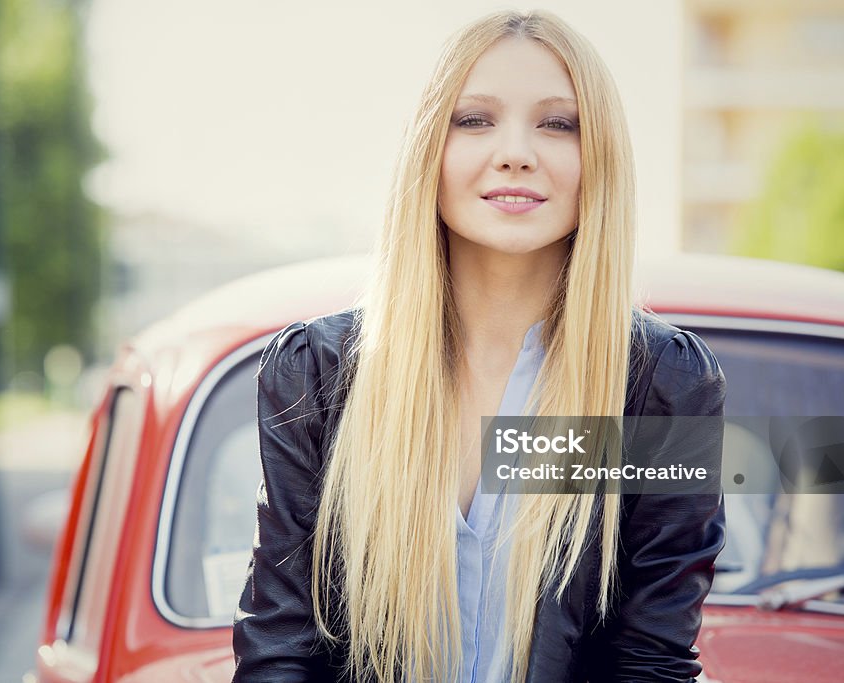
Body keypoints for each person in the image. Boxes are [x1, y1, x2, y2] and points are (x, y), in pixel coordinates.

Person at [233, 9, 726, 683]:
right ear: (426, 150)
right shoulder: (314, 376)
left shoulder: (664, 388)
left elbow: (651, 661)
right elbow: (279, 654)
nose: (515, 150)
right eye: (474, 120)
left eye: (558, 123)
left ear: (599, 158)